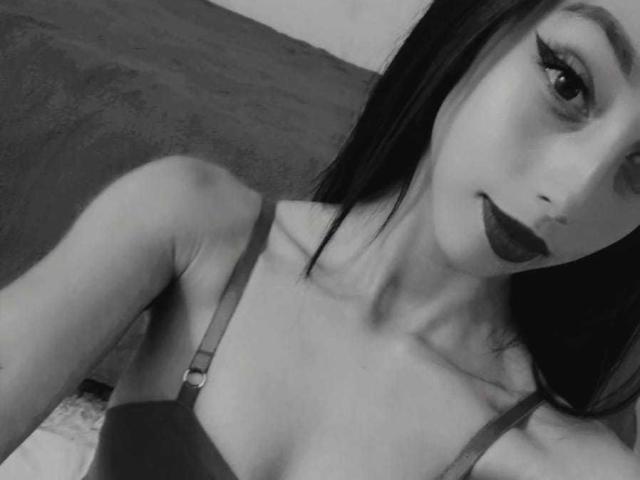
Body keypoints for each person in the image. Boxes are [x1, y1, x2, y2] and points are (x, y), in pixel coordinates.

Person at [2, 0, 640, 478]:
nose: (572, 194)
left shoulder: (562, 460)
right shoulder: (195, 224)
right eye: (567, 83)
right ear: (481, 22)